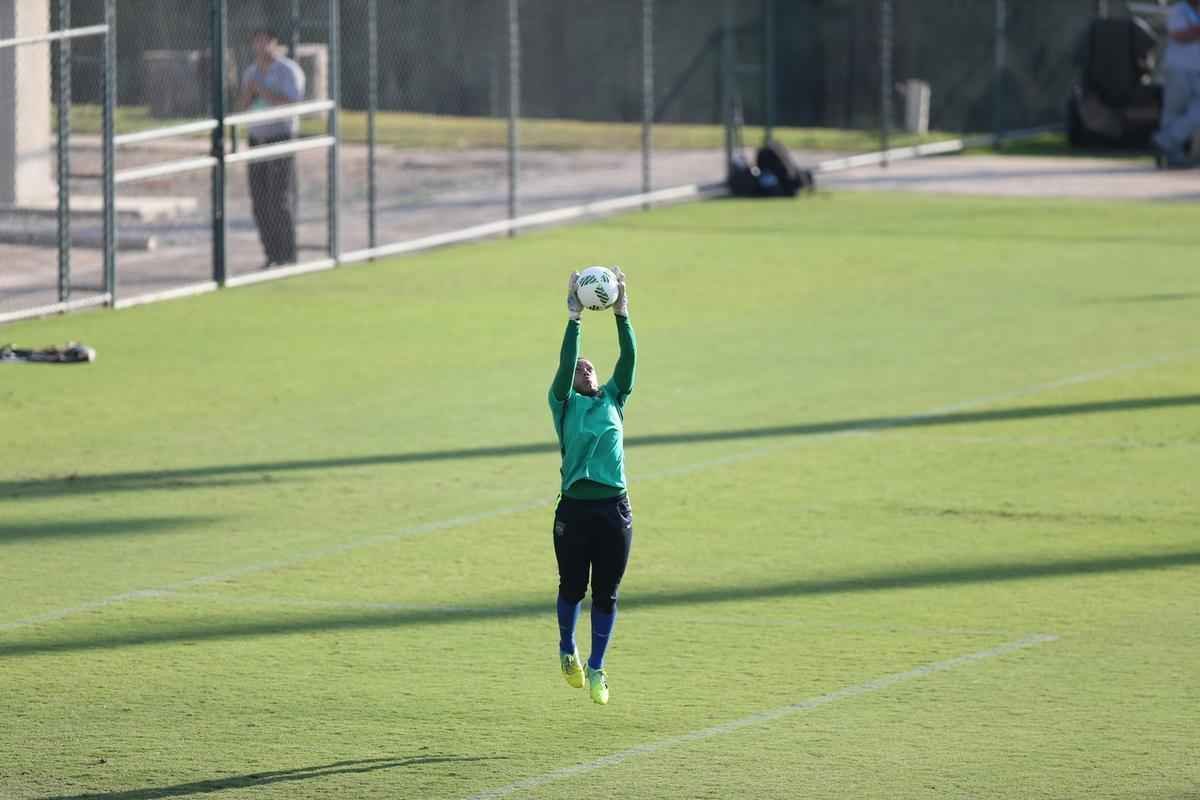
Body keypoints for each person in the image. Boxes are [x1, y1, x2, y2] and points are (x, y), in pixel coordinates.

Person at [549, 267, 636, 705]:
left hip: (613, 511)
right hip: (574, 511)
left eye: (590, 366)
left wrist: (622, 313)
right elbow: (567, 362)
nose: (584, 367)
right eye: (580, 367)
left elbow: (629, 360)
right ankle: (568, 649)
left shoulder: (614, 398)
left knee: (607, 593)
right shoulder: (563, 404)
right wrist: (574, 318)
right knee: (571, 588)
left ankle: (598, 668)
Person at [237, 29, 305, 267]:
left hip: (280, 137)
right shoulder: (250, 73)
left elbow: (293, 102)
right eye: (257, 41)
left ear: (275, 43)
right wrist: (249, 94)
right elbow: (243, 106)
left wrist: (263, 91)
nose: (261, 46)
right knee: (260, 200)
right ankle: (271, 254)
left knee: (279, 199)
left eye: (266, 41)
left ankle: (287, 255)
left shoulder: (288, 71)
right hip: (257, 139)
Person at [1153, 0, 1200, 166]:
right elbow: (1178, 36)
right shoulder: (1179, 10)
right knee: (1173, 113)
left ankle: (1164, 141)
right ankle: (1173, 156)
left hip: (1196, 69)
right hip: (1178, 68)